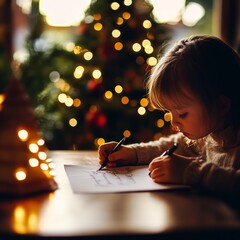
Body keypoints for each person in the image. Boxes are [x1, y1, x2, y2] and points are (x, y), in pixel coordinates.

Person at [98, 35, 240, 197]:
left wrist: (192, 171)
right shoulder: (210, 133)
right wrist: (132, 153)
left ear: (220, 106)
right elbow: (173, 144)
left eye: (182, 114)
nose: (174, 122)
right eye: (169, 112)